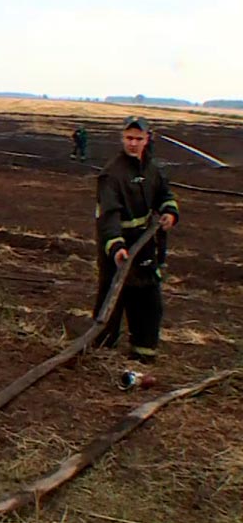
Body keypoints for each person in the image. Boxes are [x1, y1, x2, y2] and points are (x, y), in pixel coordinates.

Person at [92, 116, 180, 363]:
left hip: (145, 245)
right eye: (129, 138)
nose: (133, 143)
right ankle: (100, 351)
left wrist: (170, 212)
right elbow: (108, 216)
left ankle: (143, 353)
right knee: (112, 298)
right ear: (123, 139)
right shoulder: (111, 175)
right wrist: (116, 246)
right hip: (117, 247)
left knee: (148, 298)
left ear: (147, 139)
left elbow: (165, 195)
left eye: (138, 139)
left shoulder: (153, 168)